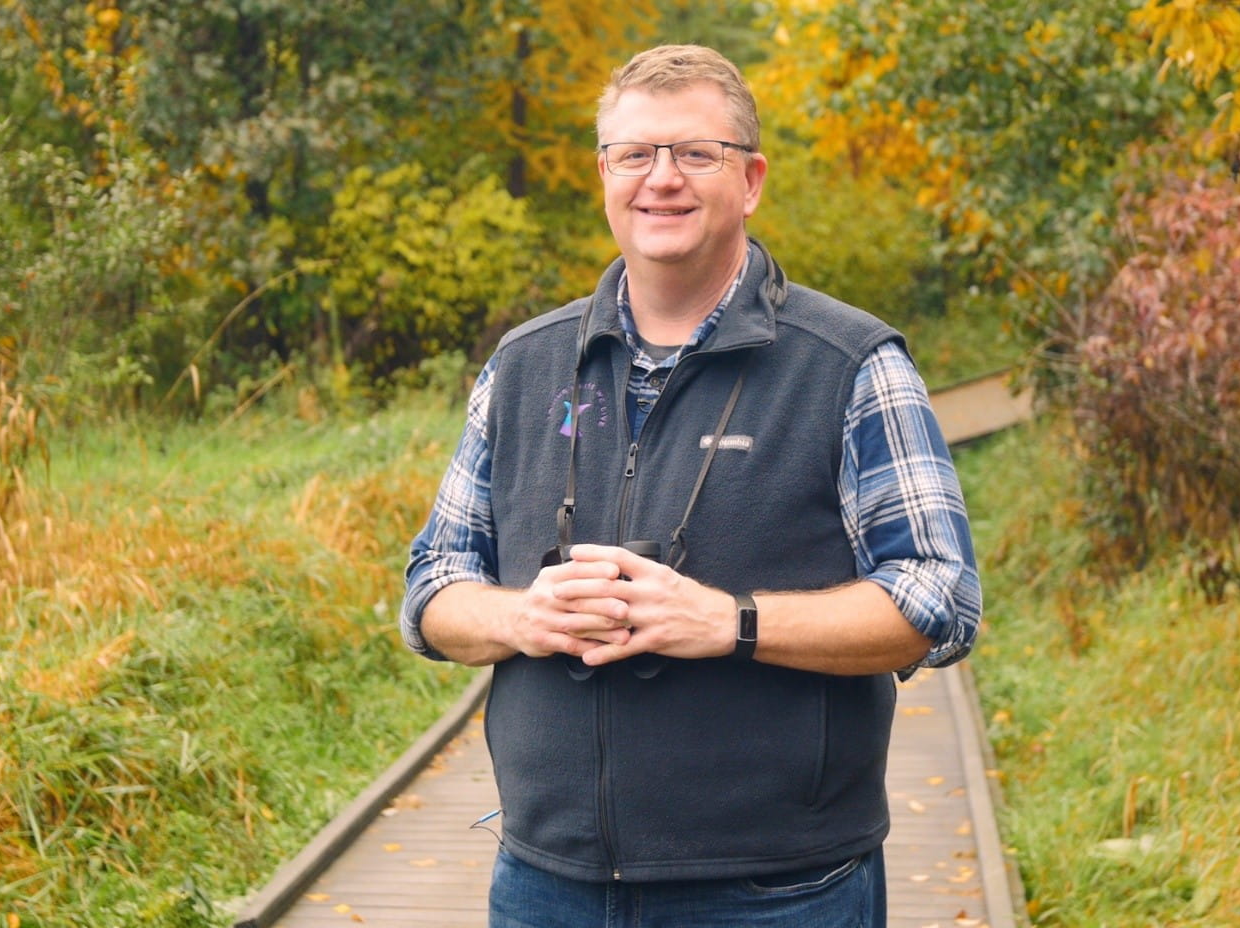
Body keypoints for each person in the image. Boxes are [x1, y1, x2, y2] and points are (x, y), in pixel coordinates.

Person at [400, 43, 981, 928]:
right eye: (634, 154)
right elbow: (431, 587)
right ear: (604, 174)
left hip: (779, 890)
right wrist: (521, 616)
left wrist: (729, 622)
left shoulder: (851, 364)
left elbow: (940, 600)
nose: (660, 179)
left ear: (749, 180)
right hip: (546, 882)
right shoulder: (524, 366)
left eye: (693, 154)